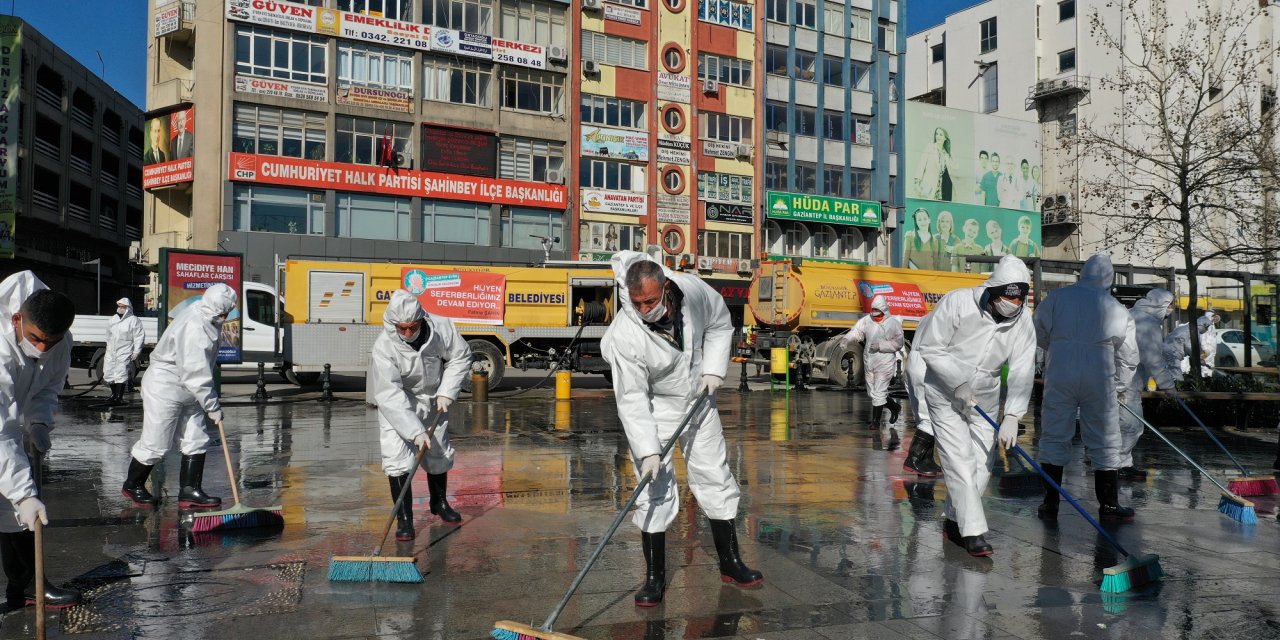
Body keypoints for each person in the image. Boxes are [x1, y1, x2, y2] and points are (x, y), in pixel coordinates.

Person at [601, 251, 761, 606]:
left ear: (666, 286)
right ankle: (655, 576)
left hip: (699, 398)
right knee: (653, 487)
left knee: (715, 475)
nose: (645, 310)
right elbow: (631, 398)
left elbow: (721, 323)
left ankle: (730, 562)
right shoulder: (626, 336)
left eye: (651, 301)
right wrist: (648, 450)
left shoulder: (693, 290)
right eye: (637, 303)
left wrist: (714, 370)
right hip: (656, 408)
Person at [913, 256, 1036, 556]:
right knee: (960, 462)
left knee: (982, 466)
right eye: (1009, 296)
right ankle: (975, 534)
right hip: (944, 392)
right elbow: (931, 346)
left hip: (987, 395)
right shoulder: (958, 303)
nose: (1014, 303)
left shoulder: (1023, 318)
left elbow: (1022, 367)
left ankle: (955, 521)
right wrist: (957, 383)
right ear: (993, 291)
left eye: (1019, 298)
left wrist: (1013, 414)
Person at [1034, 254, 1140, 522]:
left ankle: (1050, 502)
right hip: (1099, 375)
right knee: (1105, 438)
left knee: (1054, 434)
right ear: (1109, 278)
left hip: (1061, 372)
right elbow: (1129, 357)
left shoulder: (1057, 298)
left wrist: (1058, 348)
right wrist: (1119, 386)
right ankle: (1109, 505)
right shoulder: (1116, 307)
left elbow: (1037, 328)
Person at [0, 271, 81, 609]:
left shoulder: (59, 342)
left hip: (9, 429)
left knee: (15, 514)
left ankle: (27, 586)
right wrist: (23, 493)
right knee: (20, 497)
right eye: (35, 338)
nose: (42, 348)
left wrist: (40, 424)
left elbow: (48, 387)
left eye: (51, 341)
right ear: (17, 318)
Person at [122, 284, 238, 509]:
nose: (225, 317)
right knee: (156, 442)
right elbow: (195, 372)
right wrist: (212, 405)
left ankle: (189, 490)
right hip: (166, 385)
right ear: (216, 309)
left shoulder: (204, 313)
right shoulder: (196, 327)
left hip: (187, 389)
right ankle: (132, 484)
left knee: (195, 438)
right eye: (224, 313)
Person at [372, 290, 471, 540]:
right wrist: (414, 431)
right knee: (397, 460)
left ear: (421, 319)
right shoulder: (384, 346)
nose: (407, 333)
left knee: (437, 452)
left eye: (412, 327)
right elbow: (388, 394)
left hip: (433, 398)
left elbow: (460, 357)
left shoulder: (441, 327)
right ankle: (404, 519)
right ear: (394, 324)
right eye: (402, 328)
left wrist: (447, 392)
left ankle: (439, 503)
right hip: (399, 404)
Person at [1117, 289, 1179, 480]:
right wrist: (1168, 386)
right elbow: (1153, 359)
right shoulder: (1148, 324)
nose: (1171, 310)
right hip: (1127, 381)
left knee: (1120, 425)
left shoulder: (1133, 314)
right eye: (1170, 305)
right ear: (1161, 305)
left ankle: (1117, 463)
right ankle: (1118, 465)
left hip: (1119, 379)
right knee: (1131, 426)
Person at [839, 295, 905, 433]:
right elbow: (857, 331)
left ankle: (875, 422)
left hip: (885, 362)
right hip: (869, 361)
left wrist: (881, 345)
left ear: (884, 310)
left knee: (879, 392)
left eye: (878, 313)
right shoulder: (867, 320)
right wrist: (847, 339)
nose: (875, 315)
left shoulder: (893, 324)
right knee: (872, 393)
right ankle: (894, 407)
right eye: (873, 312)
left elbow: (898, 343)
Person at [903, 321, 943, 477]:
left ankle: (926, 460)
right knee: (933, 415)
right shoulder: (956, 315)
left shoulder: (928, 316)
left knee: (922, 416)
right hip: (928, 363)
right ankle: (914, 458)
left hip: (914, 360)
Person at [103, 298, 145, 406]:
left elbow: (139, 337)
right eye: (119, 306)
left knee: (121, 373)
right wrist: (108, 346)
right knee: (108, 372)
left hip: (125, 350)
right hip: (111, 350)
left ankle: (119, 397)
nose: (120, 308)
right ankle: (113, 395)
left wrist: (136, 351)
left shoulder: (134, 320)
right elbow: (108, 334)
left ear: (127, 308)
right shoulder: (113, 319)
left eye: (122, 306)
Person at [912, 127, 953, 200]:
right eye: (936, 134)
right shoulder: (930, 147)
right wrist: (917, 183)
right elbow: (921, 165)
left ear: (945, 138)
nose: (938, 136)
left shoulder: (946, 154)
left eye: (941, 134)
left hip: (941, 190)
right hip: (928, 186)